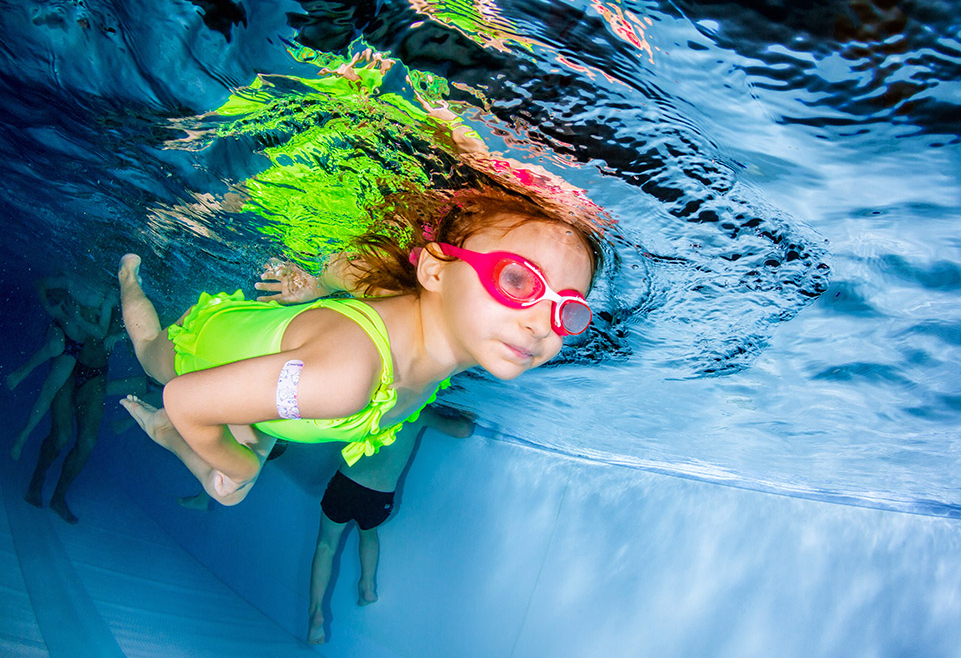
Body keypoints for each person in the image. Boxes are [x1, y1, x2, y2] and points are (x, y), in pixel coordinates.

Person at [117, 180, 603, 506]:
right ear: (435, 270)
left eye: (569, 309)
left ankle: (175, 436)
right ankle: (127, 277)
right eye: (517, 280)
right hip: (201, 353)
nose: (542, 324)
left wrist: (315, 287)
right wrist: (244, 465)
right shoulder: (343, 379)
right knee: (223, 465)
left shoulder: (417, 325)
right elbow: (184, 398)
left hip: (278, 393)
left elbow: (349, 272)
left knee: (225, 491)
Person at [307, 404, 473, 645]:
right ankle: (368, 587)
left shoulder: (375, 404)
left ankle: (316, 611)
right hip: (379, 498)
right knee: (368, 534)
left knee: (326, 545)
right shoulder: (418, 411)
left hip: (347, 484)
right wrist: (465, 415)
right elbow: (463, 430)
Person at [18, 279, 125, 524]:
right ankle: (36, 481)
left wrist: (121, 335)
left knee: (87, 442)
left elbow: (146, 334)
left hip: (96, 373)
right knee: (62, 435)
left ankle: (58, 498)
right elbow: (50, 291)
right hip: (69, 364)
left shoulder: (123, 304)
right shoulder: (86, 286)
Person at [7, 276, 117, 460]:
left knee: (49, 392)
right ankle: (23, 371)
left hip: (75, 346)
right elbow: (39, 283)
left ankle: (22, 437)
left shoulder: (106, 297)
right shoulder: (74, 279)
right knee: (56, 346)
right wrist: (50, 309)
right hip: (58, 329)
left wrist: (77, 317)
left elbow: (101, 332)